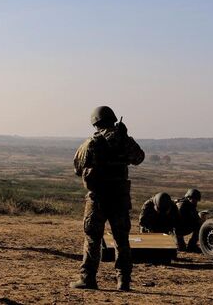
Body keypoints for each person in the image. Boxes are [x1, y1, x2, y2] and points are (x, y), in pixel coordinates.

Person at [70, 106, 145, 292]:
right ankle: (123, 281)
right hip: (119, 199)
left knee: (92, 239)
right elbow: (139, 158)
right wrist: (125, 138)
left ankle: (88, 278)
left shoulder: (91, 143)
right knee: (121, 240)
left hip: (98, 199)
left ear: (95, 123)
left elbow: (77, 168)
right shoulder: (125, 141)